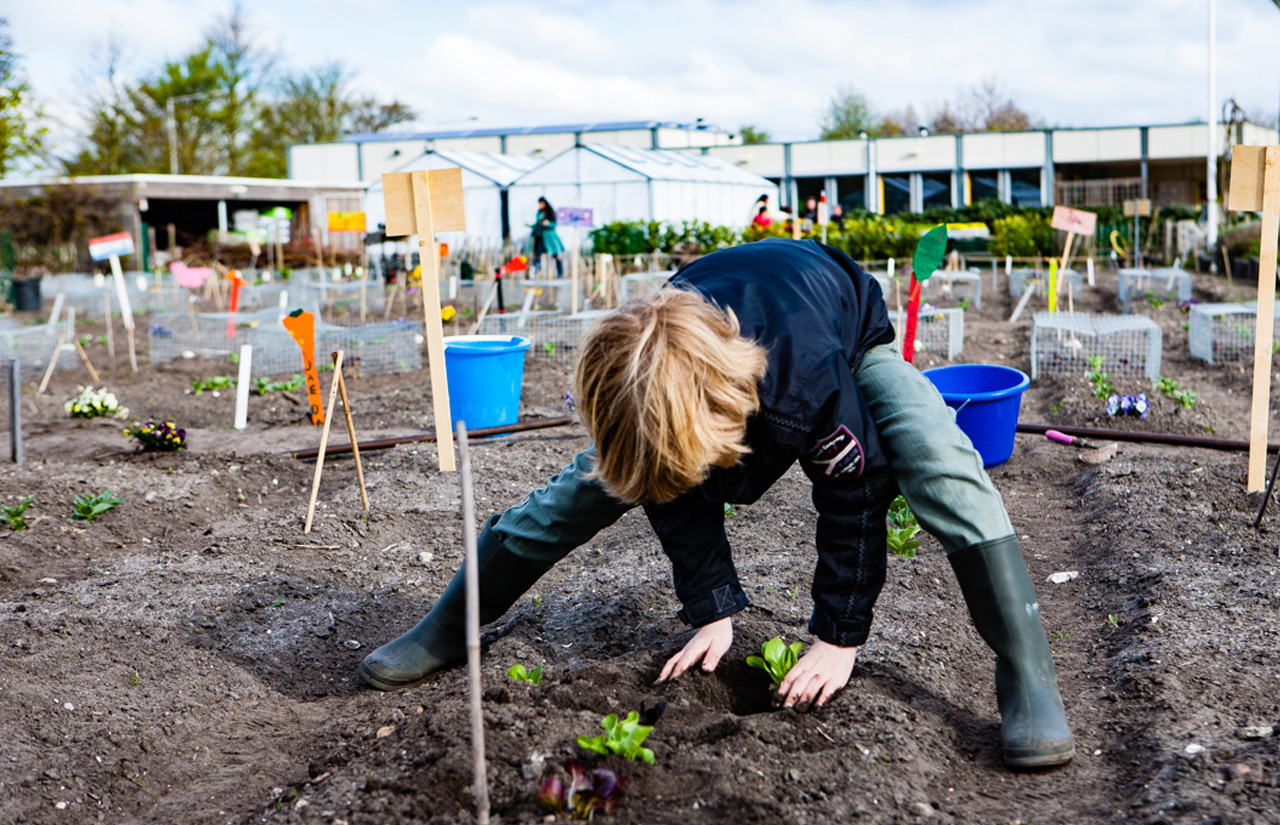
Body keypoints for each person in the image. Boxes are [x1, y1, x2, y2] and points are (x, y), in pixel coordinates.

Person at [359, 239, 1075, 771]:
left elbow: (853, 497)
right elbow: (665, 488)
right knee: (577, 493)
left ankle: (1027, 673)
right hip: (689, 364)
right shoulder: (644, 376)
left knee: (938, 456)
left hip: (841, 332)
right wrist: (711, 606)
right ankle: (449, 626)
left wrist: (838, 637)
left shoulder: (808, 382)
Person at [530, 197, 564, 278]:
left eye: (541, 203)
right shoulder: (539, 212)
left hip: (549, 238)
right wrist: (532, 226)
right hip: (540, 237)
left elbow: (554, 224)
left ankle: (560, 273)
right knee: (538, 255)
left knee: (555, 255)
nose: (540, 205)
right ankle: (536, 272)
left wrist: (547, 223)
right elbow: (537, 224)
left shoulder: (550, 212)